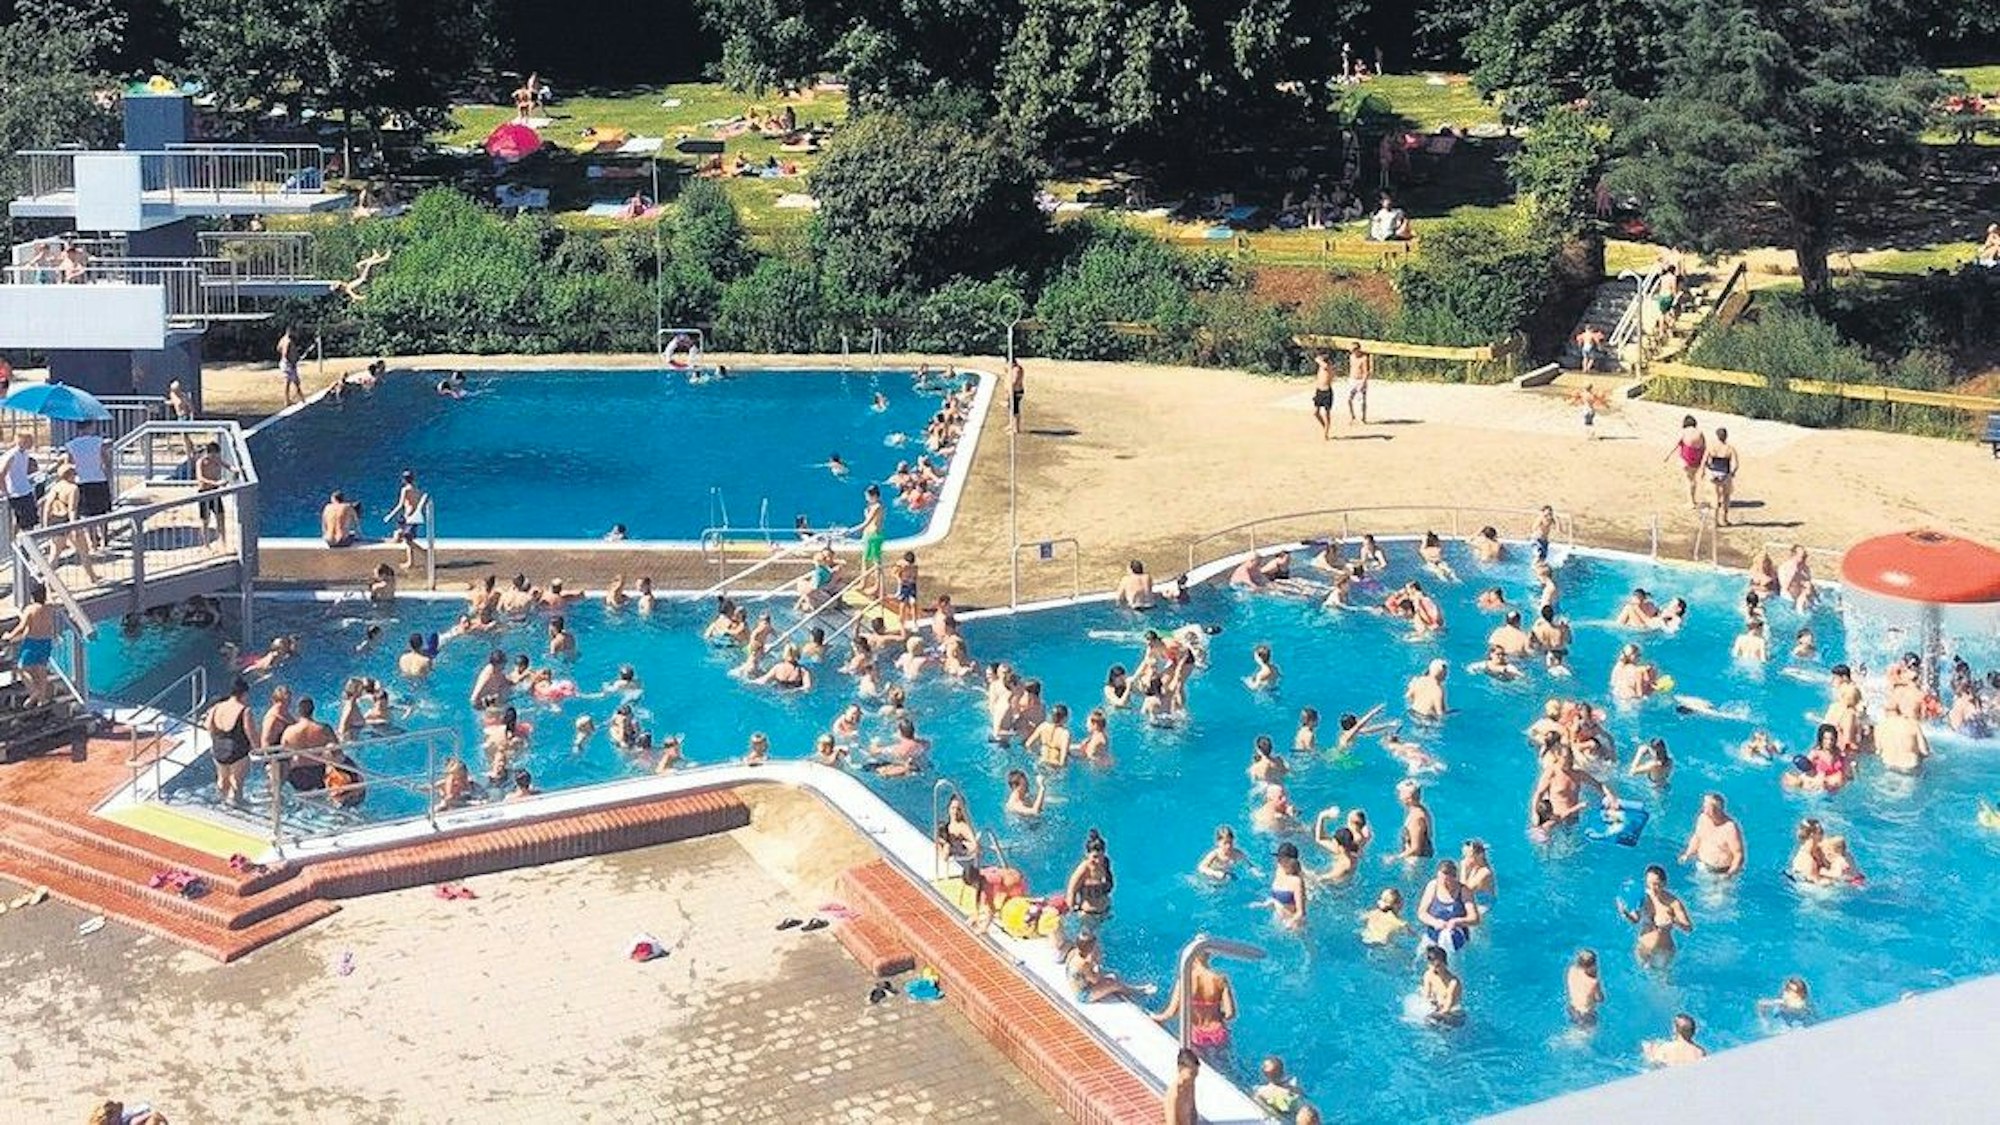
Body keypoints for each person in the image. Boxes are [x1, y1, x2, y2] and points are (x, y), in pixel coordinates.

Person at [1153, 950, 1237, 1051]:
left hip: (1195, 1035)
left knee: (1195, 1063)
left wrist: (1154, 1017)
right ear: (1209, 955)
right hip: (1218, 1034)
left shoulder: (1185, 979)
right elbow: (1230, 1014)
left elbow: (1170, 1013)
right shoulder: (1220, 979)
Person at [1619, 864, 1694, 966]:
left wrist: (1674, 921)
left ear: (1664, 883)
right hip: (1643, 947)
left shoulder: (1673, 903)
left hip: (1664, 952)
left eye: (1656, 884)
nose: (1652, 888)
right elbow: (1635, 920)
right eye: (1649, 884)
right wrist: (1625, 912)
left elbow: (1688, 928)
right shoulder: (1642, 897)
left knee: (1662, 980)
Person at [204, 677, 257, 806]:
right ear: (244, 694)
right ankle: (237, 806)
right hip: (237, 751)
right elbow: (250, 732)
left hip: (218, 749)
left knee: (222, 780)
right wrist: (257, 748)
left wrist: (216, 740)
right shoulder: (245, 710)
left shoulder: (217, 707)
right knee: (236, 782)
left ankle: (221, 803)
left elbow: (208, 725)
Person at [5, 584, 58, 705]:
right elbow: (51, 599)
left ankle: (34, 692)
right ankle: (42, 699)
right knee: (41, 670)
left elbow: (21, 627)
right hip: (46, 642)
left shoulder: (30, 609)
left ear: (32, 596)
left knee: (22, 668)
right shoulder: (49, 608)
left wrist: (10, 636)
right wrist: (48, 587)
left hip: (33, 642)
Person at [1416, 859, 1479, 954]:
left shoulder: (1464, 891)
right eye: (1440, 880)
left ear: (1455, 878)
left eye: (1446, 881)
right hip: (1433, 936)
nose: (1442, 884)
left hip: (1457, 941)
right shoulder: (1433, 885)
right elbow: (1421, 913)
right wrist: (1435, 922)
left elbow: (1475, 918)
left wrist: (1457, 921)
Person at [1680, 792, 1746, 876]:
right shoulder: (1703, 818)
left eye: (1707, 807)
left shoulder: (1730, 828)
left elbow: (1738, 854)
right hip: (1702, 866)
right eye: (1704, 806)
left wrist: (1730, 873)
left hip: (1721, 872)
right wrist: (1687, 854)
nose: (1704, 809)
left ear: (1718, 809)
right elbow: (1697, 837)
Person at [384, 470, 427, 571]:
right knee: (408, 540)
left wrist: (390, 516)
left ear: (404, 480)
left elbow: (400, 505)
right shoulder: (417, 490)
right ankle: (411, 562)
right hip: (415, 517)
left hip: (409, 518)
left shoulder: (405, 490)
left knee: (408, 540)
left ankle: (424, 553)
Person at [1, 431, 40, 533]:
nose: (32, 443)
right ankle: (15, 543)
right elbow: (2, 474)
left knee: (28, 520)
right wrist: (5, 492)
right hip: (15, 492)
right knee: (22, 521)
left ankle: (19, 542)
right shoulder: (12, 455)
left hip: (25, 489)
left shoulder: (25, 454)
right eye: (29, 440)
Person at [193, 442, 231, 544]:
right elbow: (200, 478)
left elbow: (228, 466)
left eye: (217, 454)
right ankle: (206, 544)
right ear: (209, 453)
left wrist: (234, 470)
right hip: (204, 492)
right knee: (205, 520)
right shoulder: (201, 462)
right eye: (213, 454)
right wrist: (216, 483)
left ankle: (223, 541)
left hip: (215, 492)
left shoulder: (217, 460)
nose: (215, 457)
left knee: (221, 516)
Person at [1665, 415, 1706, 507]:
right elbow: (1704, 446)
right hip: (1697, 457)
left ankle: (1690, 502)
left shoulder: (1684, 431)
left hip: (1686, 457)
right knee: (1693, 479)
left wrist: (1668, 455)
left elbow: (1676, 444)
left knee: (1688, 480)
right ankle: (1693, 500)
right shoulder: (1700, 432)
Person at [1419, 944, 1465, 1026]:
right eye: (1431, 965)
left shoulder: (1453, 982)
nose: (1434, 969)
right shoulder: (1428, 975)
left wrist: (1434, 1015)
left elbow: (1447, 1008)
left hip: (1455, 1014)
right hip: (1439, 1010)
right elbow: (1426, 997)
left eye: (1437, 966)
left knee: (1431, 1020)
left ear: (1445, 963)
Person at [1705, 426, 1740, 525]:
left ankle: (1714, 521)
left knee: (1715, 497)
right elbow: (1736, 464)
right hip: (1725, 472)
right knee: (1726, 496)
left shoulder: (1712, 447)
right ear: (1726, 436)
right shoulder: (1730, 448)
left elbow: (1705, 460)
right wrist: (1732, 473)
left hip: (1714, 472)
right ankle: (1724, 519)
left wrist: (1707, 470)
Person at [1642, 1013, 1707, 1067]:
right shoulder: (1700, 1051)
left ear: (1675, 1029)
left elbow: (1655, 1066)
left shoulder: (1666, 1048)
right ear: (1694, 1031)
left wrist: (1649, 1053)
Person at [1394, 780, 1434, 861]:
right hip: (1422, 859)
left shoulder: (1416, 818)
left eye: (1400, 793)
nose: (1398, 796)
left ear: (1408, 798)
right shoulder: (1421, 809)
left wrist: (1394, 858)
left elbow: (1416, 849)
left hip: (1416, 862)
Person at [1566, 950, 1606, 1027]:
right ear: (1593, 965)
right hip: (1586, 1015)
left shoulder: (1571, 970)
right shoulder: (1593, 982)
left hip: (1572, 1009)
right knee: (1582, 1036)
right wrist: (1596, 977)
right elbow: (1600, 999)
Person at [1164, 1048, 1199, 1125]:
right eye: (1191, 1073)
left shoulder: (1190, 1084)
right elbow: (1171, 1122)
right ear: (1180, 1069)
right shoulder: (1174, 1094)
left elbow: (1193, 1111)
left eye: (1196, 1073)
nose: (1194, 1077)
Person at [1310, 352, 1336, 439]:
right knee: (1315, 413)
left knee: (1327, 413)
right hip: (1319, 391)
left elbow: (1320, 362)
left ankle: (1326, 433)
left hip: (1327, 392)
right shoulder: (1321, 366)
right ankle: (1325, 426)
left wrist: (1319, 358)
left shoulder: (1328, 367)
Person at [276, 326, 303, 406]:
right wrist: (292, 362)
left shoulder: (283, 339)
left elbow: (278, 348)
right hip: (288, 364)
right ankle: (288, 401)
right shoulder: (288, 341)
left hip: (286, 363)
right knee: (290, 382)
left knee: (295, 382)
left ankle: (300, 399)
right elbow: (285, 353)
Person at [1346, 342, 1372, 423]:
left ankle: (1363, 418)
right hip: (1352, 379)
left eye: (1354, 349)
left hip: (1360, 380)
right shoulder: (1351, 357)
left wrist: (1364, 382)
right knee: (1349, 399)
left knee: (1361, 401)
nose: (1352, 351)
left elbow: (1366, 371)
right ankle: (1352, 416)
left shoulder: (1364, 358)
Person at [1007, 358, 1025, 435]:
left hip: (1016, 391)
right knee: (1011, 409)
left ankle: (1016, 429)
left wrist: (1010, 390)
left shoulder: (1016, 370)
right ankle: (1011, 425)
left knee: (1015, 410)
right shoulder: (1014, 369)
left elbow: (1014, 381)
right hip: (1013, 391)